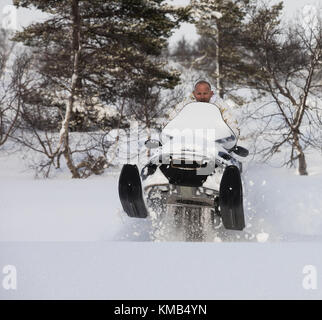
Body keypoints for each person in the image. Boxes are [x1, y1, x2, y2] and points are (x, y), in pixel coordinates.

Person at [162, 80, 239, 137]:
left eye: (205, 93)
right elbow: (170, 121)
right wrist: (169, 133)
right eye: (199, 93)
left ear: (211, 93)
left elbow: (232, 124)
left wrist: (230, 138)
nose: (202, 97)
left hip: (214, 142)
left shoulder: (221, 106)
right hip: (188, 140)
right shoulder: (185, 104)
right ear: (194, 93)